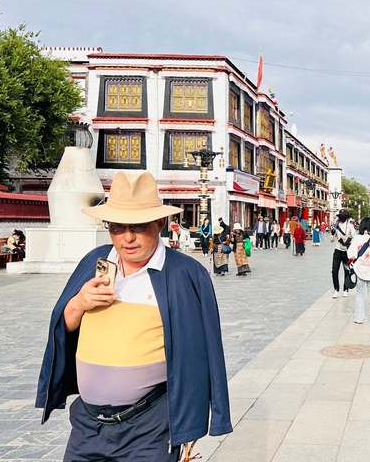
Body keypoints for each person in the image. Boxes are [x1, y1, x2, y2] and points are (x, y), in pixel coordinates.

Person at [35, 171, 231, 460]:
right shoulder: (94, 262)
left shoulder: (184, 274)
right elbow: (64, 327)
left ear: (159, 223)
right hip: (87, 425)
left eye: (138, 226)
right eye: (117, 227)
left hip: (149, 427)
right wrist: (79, 303)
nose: (127, 237)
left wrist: (194, 421)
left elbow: (205, 350)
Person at [330, 209, 355, 297]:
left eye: (344, 216)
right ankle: (336, 289)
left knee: (347, 271)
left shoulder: (350, 226)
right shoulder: (336, 226)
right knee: (334, 270)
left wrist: (349, 242)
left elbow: (354, 237)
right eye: (341, 216)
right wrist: (332, 234)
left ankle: (345, 289)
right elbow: (332, 240)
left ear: (346, 217)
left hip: (346, 251)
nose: (342, 217)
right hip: (338, 250)